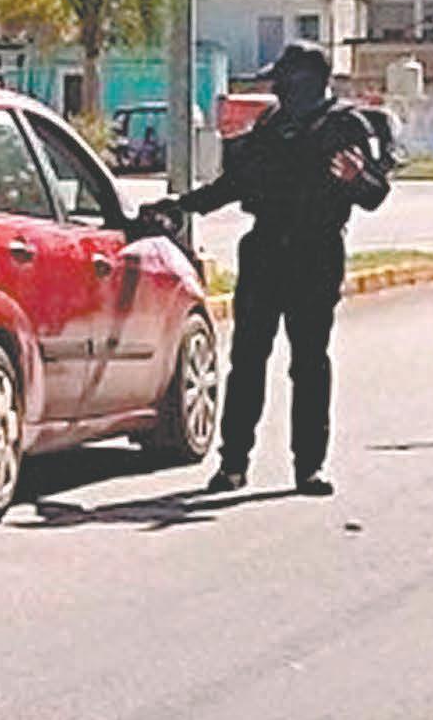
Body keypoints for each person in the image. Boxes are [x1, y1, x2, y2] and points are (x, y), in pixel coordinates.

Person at [140, 41, 392, 497]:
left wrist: (357, 181)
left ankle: (309, 467)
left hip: (315, 254)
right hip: (264, 253)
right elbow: (235, 185)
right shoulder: (271, 125)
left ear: (309, 81)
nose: (277, 87)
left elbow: (376, 193)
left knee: (309, 363)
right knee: (248, 361)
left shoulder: (346, 125)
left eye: (285, 79)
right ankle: (234, 463)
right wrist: (182, 206)